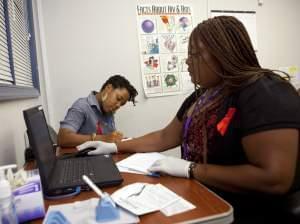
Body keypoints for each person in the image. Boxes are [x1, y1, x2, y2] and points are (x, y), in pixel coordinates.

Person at [77, 16, 300, 223]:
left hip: (246, 212)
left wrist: (191, 169)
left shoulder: (265, 92)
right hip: (204, 197)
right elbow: (164, 137)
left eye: (194, 54)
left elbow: (274, 178)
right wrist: (113, 145)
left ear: (223, 54)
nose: (187, 61)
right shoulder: (203, 95)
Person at [58, 74, 138, 147]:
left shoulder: (108, 112)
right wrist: (101, 138)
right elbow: (63, 138)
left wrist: (118, 139)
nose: (118, 105)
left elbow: (109, 139)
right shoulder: (82, 105)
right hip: (82, 159)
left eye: (121, 104)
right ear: (108, 88)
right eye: (118, 98)